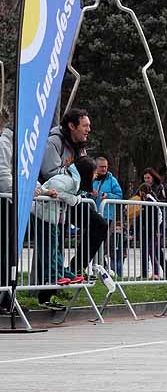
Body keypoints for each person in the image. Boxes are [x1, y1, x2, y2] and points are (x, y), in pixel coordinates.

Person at [39, 109, 107, 281]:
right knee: (55, 242)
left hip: (72, 199)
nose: (88, 130)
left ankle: (76, 267)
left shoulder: (81, 146)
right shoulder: (53, 142)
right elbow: (49, 173)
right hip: (54, 200)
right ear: (71, 126)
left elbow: (83, 170)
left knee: (99, 224)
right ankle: (49, 288)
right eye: (85, 125)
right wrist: (75, 172)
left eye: (89, 126)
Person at [31, 156, 98, 309]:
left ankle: (62, 273)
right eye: (94, 173)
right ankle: (54, 275)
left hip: (55, 217)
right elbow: (54, 190)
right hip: (44, 215)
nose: (95, 176)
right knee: (50, 248)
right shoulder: (65, 180)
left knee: (57, 247)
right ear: (86, 172)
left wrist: (74, 198)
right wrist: (72, 199)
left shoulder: (74, 182)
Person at [0, 110, 13, 314]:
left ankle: (5, 295)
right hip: (5, 198)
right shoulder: (4, 141)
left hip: (6, 200)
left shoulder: (5, 140)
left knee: (6, 252)